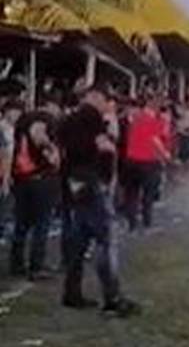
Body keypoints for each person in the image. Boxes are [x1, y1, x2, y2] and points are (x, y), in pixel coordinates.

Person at [60, 87, 139, 316]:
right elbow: (101, 148)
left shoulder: (67, 120)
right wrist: (106, 144)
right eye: (107, 100)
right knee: (106, 238)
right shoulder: (91, 118)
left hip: (74, 182)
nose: (109, 105)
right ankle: (112, 299)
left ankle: (72, 292)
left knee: (80, 240)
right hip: (91, 181)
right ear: (95, 98)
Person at [10, 98, 61, 281]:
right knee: (42, 224)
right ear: (51, 106)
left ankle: (16, 263)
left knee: (21, 224)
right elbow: (38, 134)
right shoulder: (44, 118)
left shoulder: (22, 120)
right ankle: (36, 266)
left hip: (21, 178)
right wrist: (52, 154)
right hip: (40, 179)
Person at [123, 96, 171, 232]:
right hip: (148, 162)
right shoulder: (155, 121)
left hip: (131, 160)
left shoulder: (135, 119)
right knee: (148, 194)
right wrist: (165, 155)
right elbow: (157, 140)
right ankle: (146, 221)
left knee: (132, 193)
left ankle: (131, 223)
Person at [0, 101, 22, 246]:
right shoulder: (1, 128)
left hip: (13, 169)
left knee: (6, 202)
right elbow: (5, 154)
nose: (17, 115)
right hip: (4, 169)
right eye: (14, 111)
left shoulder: (18, 129)